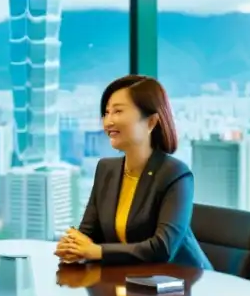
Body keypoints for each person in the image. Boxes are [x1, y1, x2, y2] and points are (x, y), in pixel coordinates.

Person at [55, 75, 212, 268]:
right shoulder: (106, 169)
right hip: (127, 281)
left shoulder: (175, 174)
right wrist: (72, 245)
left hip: (181, 284)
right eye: (106, 113)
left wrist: (96, 251)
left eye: (118, 111)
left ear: (151, 122)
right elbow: (88, 234)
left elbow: (161, 248)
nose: (108, 121)